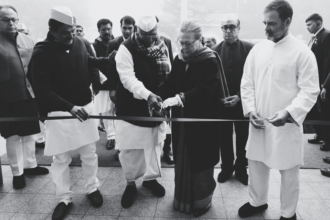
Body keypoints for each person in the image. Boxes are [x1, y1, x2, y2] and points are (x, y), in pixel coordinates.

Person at [30, 6, 115, 220]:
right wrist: (69, 107)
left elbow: (84, 61)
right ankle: (63, 198)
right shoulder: (41, 52)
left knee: (89, 153)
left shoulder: (78, 42)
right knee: (61, 159)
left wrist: (104, 61)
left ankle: (92, 188)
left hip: (84, 107)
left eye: (73, 30)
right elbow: (42, 89)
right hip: (60, 113)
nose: (71, 36)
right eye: (65, 32)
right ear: (53, 31)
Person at [238, 1, 319, 220]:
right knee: (256, 164)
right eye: (265, 22)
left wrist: (289, 113)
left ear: (287, 22)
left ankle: (288, 213)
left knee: (289, 172)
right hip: (259, 121)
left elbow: (310, 90)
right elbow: (247, 83)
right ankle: (257, 201)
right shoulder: (258, 49)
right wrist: (250, 110)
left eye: (272, 23)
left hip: (287, 125)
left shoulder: (303, 52)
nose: (266, 28)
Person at [158, 20, 229, 217]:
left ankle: (202, 203)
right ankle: (183, 200)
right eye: (181, 42)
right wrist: (157, 96)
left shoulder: (210, 59)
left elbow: (206, 90)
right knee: (182, 162)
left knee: (201, 165)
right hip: (182, 123)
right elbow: (171, 83)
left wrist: (181, 98)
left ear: (200, 40)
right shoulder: (180, 58)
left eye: (188, 43)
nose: (184, 47)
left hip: (203, 123)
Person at [115, 15, 169, 208]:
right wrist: (148, 95)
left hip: (157, 106)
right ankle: (130, 184)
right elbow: (127, 78)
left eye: (152, 34)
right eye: (144, 35)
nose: (148, 38)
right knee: (130, 149)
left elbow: (170, 74)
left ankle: (150, 179)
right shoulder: (126, 48)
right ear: (137, 30)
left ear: (157, 30)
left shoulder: (165, 43)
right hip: (132, 107)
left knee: (155, 146)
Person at [0, 5, 48, 190]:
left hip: (29, 94)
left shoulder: (28, 40)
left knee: (29, 134)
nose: (12, 23)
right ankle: (17, 173)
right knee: (12, 137)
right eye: (6, 19)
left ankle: (30, 165)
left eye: (14, 19)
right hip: (6, 98)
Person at [213, 14, 253, 185]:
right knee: (223, 136)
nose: (228, 30)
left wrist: (238, 96)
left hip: (242, 101)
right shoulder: (214, 50)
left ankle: (241, 168)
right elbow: (211, 79)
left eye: (232, 27)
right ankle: (226, 167)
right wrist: (220, 98)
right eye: (225, 27)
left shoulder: (249, 48)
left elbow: (253, 77)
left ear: (239, 28)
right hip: (222, 103)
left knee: (243, 135)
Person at [106, 15, 135, 160]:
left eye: (130, 28)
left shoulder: (138, 42)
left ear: (134, 28)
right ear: (120, 27)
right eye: (125, 28)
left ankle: (133, 146)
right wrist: (112, 88)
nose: (127, 31)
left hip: (135, 86)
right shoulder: (113, 43)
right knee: (119, 118)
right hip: (119, 86)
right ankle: (120, 148)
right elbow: (110, 68)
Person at [305, 14, 330, 151]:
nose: (307, 28)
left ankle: (328, 140)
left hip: (323, 82)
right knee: (315, 110)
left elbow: (327, 61)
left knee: (325, 112)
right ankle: (320, 134)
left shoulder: (327, 36)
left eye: (309, 24)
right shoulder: (315, 37)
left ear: (319, 23)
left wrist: (326, 85)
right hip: (314, 81)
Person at [92, 18, 116, 150]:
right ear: (99, 30)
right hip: (103, 84)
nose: (106, 31)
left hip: (117, 83)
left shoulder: (118, 42)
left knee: (118, 112)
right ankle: (111, 137)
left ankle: (119, 137)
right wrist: (101, 80)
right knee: (106, 112)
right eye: (103, 29)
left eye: (108, 28)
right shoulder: (94, 46)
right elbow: (93, 65)